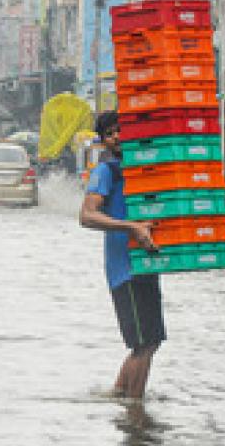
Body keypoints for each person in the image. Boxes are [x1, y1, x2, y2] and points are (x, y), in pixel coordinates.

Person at [80, 111, 164, 400]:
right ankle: (135, 412)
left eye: (121, 131)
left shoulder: (139, 170)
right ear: (103, 140)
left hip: (145, 266)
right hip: (124, 270)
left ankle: (120, 398)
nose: (117, 137)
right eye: (110, 133)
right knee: (144, 343)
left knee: (149, 343)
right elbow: (87, 215)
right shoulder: (106, 171)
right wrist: (131, 228)